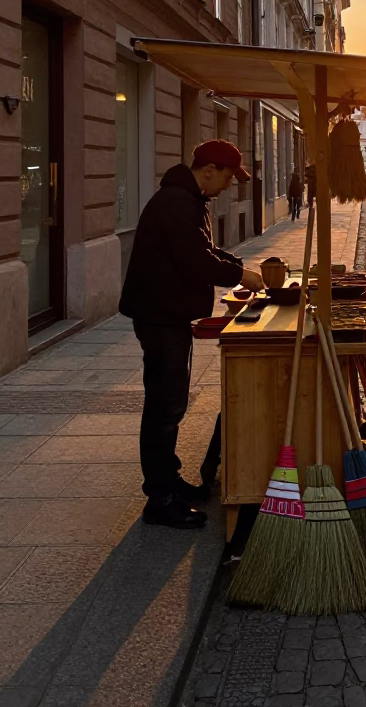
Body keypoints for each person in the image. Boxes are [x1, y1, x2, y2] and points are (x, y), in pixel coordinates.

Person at [120, 140, 264, 529]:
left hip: (168, 314)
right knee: (164, 408)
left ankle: (169, 481)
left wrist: (236, 264)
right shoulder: (176, 203)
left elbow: (204, 249)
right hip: (160, 316)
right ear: (210, 169)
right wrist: (240, 275)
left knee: (172, 405)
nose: (229, 187)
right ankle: (161, 500)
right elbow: (195, 259)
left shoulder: (187, 199)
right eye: (229, 178)